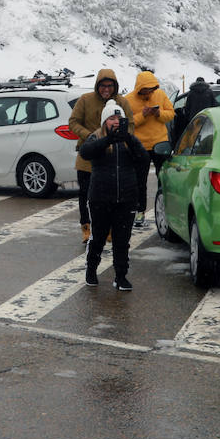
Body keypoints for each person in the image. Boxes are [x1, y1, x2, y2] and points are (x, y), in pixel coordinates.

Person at [79, 101, 147, 291]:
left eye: (119, 119)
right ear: (104, 122)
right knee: (98, 237)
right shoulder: (96, 138)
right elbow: (85, 152)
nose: (116, 122)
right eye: (112, 118)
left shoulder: (129, 140)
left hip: (126, 199)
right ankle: (91, 271)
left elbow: (144, 159)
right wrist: (108, 140)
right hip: (100, 198)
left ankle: (121, 276)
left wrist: (129, 139)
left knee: (122, 240)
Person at [68, 68, 131, 244]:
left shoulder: (122, 103)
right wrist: (90, 136)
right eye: (103, 85)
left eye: (110, 85)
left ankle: (108, 229)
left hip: (113, 157)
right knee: (85, 195)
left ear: (115, 86)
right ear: (97, 85)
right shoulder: (85, 100)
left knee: (110, 196)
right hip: (88, 157)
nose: (106, 89)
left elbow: (130, 125)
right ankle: (86, 227)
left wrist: (122, 139)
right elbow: (73, 122)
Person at [119, 70, 175, 228]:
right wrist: (142, 115)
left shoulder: (161, 95)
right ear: (139, 88)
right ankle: (139, 211)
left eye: (151, 89)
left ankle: (165, 208)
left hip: (160, 143)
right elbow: (128, 123)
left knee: (163, 178)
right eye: (146, 89)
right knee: (139, 181)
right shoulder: (128, 100)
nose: (149, 92)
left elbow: (171, 114)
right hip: (139, 145)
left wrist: (158, 114)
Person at [171, 76, 218, 147]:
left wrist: (187, 118)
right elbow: (215, 105)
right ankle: (205, 148)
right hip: (207, 118)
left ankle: (194, 149)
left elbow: (187, 108)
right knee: (206, 135)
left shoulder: (191, 93)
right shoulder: (209, 92)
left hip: (194, 119)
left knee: (194, 137)